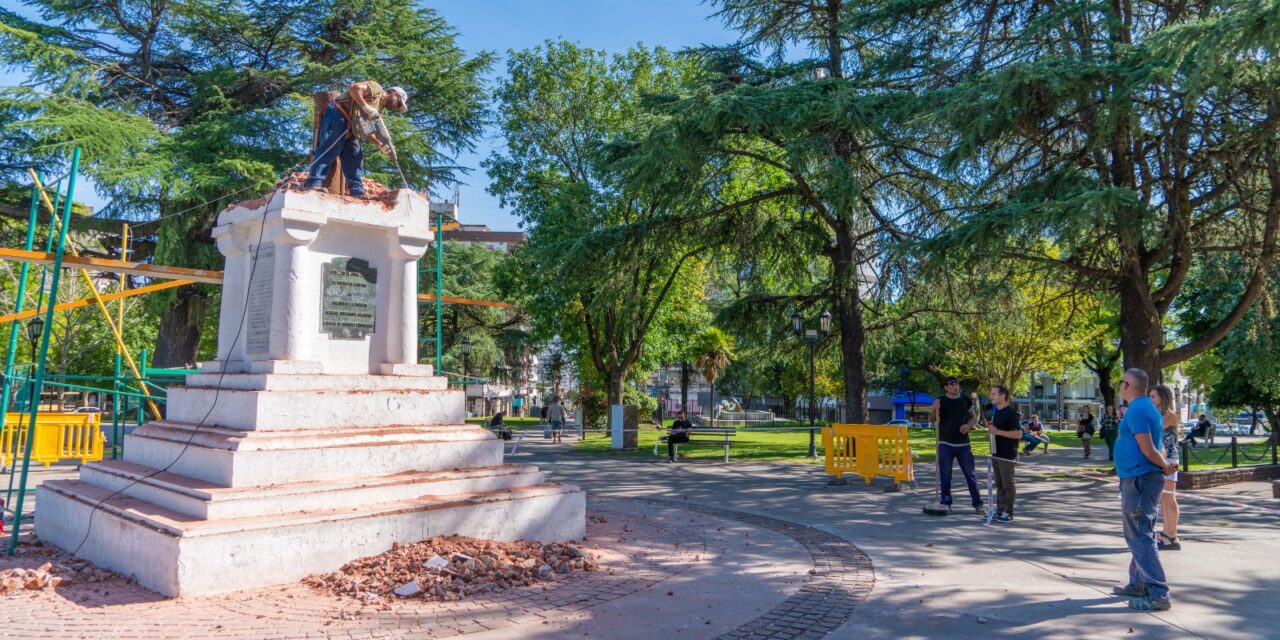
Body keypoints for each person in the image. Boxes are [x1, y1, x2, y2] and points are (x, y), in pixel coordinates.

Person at [1111, 368, 1177, 611]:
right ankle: (1138, 583)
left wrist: (1164, 466)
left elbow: (1148, 448)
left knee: (1139, 535)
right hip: (1139, 477)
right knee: (1140, 533)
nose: (1119, 386)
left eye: (1121, 382)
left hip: (1140, 479)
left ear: (1127, 385)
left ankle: (1158, 592)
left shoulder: (1138, 409)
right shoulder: (1145, 408)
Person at [303, 81, 409, 197]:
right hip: (338, 115)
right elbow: (354, 88)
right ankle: (313, 184)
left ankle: (357, 191)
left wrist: (380, 145)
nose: (396, 108)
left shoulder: (378, 109)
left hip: (351, 128)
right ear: (393, 93)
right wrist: (365, 106)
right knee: (330, 149)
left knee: (355, 156)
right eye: (398, 103)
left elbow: (367, 130)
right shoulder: (376, 89)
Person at [931, 377, 984, 515]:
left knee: (970, 474)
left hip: (963, 444)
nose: (955, 386)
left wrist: (968, 425)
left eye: (956, 383)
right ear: (946, 387)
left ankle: (978, 504)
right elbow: (932, 419)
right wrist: (934, 409)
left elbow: (974, 418)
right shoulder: (940, 400)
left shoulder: (966, 399)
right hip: (945, 443)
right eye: (951, 384)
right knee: (945, 475)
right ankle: (946, 503)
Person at [1150, 385, 1182, 551]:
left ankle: (1172, 535)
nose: (1151, 399)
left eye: (1154, 396)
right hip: (1162, 457)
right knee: (1164, 497)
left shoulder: (1169, 415)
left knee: (1169, 496)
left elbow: (1154, 429)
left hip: (1169, 458)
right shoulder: (1157, 413)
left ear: (1163, 397)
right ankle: (1166, 532)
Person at [987, 385, 1022, 522]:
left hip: (1007, 454)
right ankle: (1000, 510)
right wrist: (992, 431)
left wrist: (998, 432)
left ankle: (1009, 512)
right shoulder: (997, 413)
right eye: (991, 393)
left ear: (1003, 396)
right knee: (999, 484)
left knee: (1008, 484)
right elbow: (996, 430)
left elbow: (1019, 434)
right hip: (996, 452)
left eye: (994, 394)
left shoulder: (1010, 413)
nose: (991, 396)